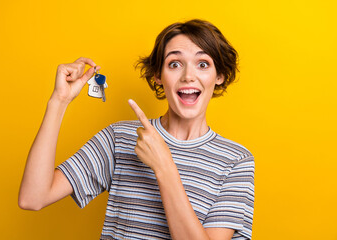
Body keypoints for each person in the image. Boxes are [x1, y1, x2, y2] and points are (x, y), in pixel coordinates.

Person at [18, 19, 255, 240]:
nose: (188, 76)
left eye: (203, 64)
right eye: (174, 64)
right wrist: (59, 101)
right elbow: (33, 198)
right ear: (158, 76)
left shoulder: (237, 161)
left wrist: (163, 166)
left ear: (220, 76)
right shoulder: (120, 138)